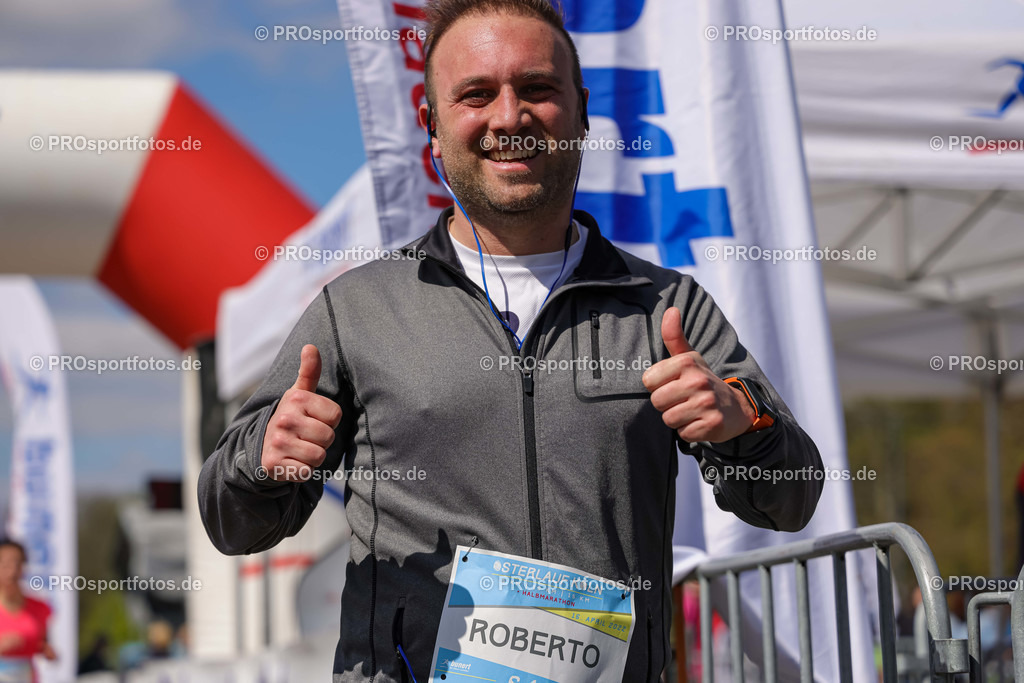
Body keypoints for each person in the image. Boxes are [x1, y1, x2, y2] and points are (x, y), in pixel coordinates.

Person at [198, 1, 824, 680]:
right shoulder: (356, 311)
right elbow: (233, 523)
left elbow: (792, 497)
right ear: (431, 126)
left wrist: (745, 426)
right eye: (475, 94)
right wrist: (263, 461)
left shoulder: (665, 308)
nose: (508, 117)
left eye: (536, 88)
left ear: (581, 110)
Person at [0, 540, 56, 683]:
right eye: (5, 564)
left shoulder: (40, 608)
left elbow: (42, 643)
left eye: (17, 563)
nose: (11, 571)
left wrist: (45, 649)